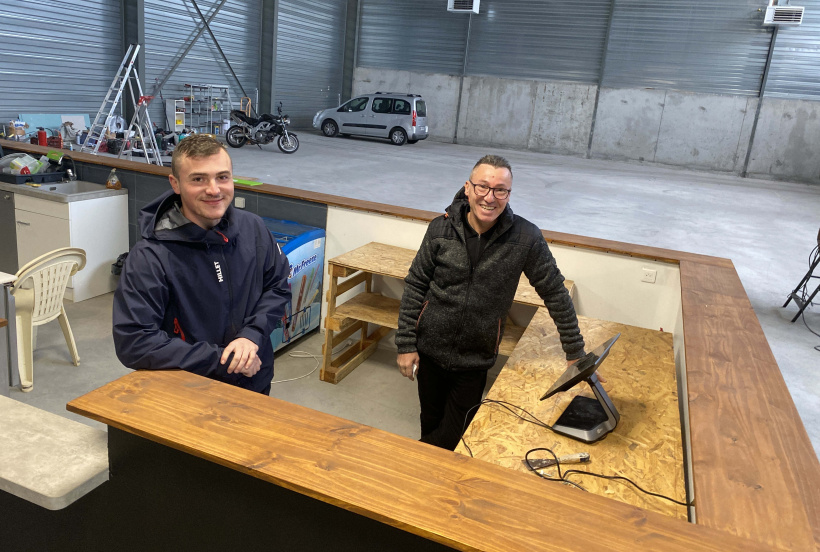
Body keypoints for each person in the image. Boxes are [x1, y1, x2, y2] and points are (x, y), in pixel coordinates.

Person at [395, 154, 586, 450]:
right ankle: (427, 474)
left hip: (475, 359)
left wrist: (576, 352)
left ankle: (417, 463)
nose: (490, 197)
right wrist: (406, 344)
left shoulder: (526, 238)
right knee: (431, 421)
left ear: (508, 195)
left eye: (500, 190)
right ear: (468, 188)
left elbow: (555, 293)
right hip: (429, 350)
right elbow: (416, 284)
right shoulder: (440, 229)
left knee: (453, 436)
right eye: (482, 187)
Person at [113, 134, 290, 394]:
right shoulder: (150, 257)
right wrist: (223, 360)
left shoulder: (253, 228)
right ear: (175, 183)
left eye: (222, 177)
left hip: (254, 377)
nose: (214, 189)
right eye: (198, 179)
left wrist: (251, 335)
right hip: (187, 390)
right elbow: (134, 342)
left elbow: (277, 286)